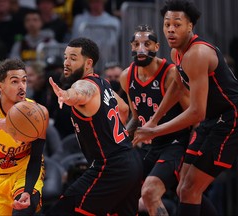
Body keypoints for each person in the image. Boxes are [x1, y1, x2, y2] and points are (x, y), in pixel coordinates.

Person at [132, 1, 238, 216]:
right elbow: (178, 87)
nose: (171, 29)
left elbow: (196, 112)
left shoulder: (196, 54)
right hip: (211, 120)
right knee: (184, 189)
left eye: (177, 24)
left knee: (190, 189)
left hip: (229, 120)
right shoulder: (176, 54)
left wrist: (155, 131)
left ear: (190, 27)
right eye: (167, 24)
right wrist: (154, 119)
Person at [47, 37, 143, 215]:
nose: (66, 62)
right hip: (130, 160)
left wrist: (67, 95)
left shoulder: (85, 85)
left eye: (73, 58)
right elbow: (122, 108)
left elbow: (81, 93)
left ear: (88, 62)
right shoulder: (104, 83)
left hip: (110, 167)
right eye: (65, 57)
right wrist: (120, 138)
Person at [120, 24, 190, 216]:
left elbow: (193, 114)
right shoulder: (126, 76)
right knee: (119, 188)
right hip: (150, 146)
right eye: (136, 44)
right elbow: (136, 119)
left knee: (150, 193)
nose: (141, 49)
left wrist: (193, 153)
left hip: (176, 143)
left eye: (147, 44)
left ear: (157, 47)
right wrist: (123, 141)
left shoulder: (170, 74)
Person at [0, 58, 49, 215]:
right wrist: (7, 124)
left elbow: (36, 158)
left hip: (24, 173)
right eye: (15, 82)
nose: (22, 86)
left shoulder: (38, 113)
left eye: (24, 81)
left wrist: (28, 191)